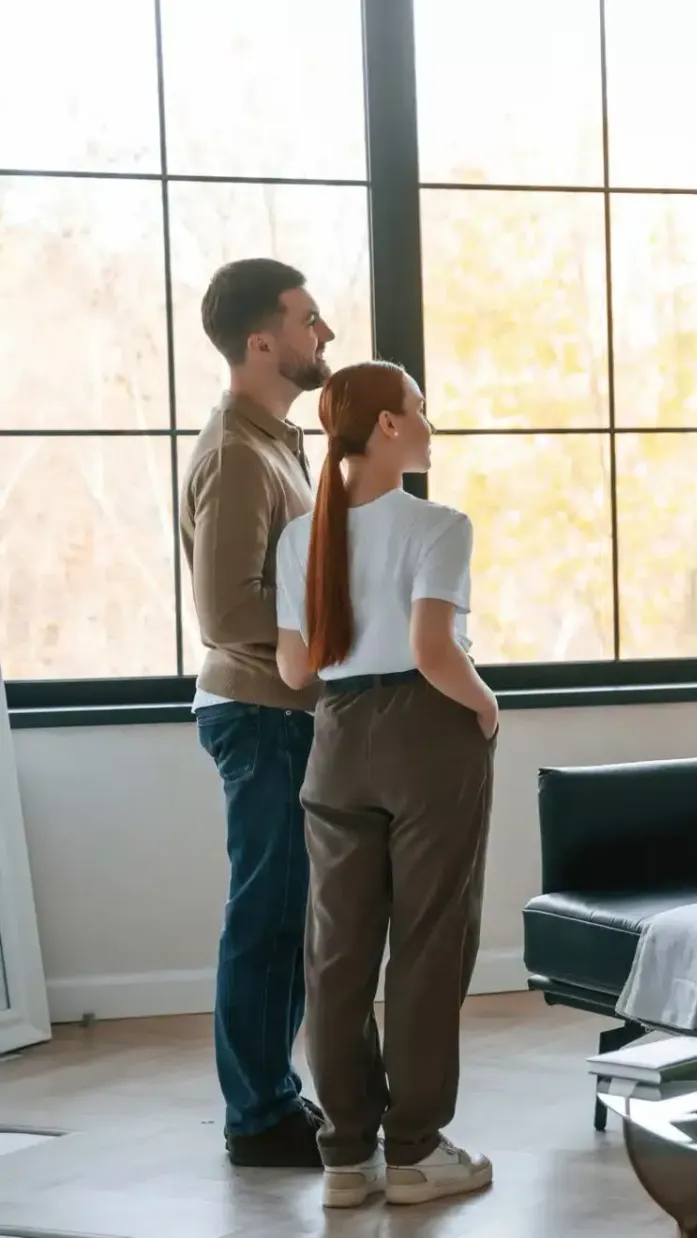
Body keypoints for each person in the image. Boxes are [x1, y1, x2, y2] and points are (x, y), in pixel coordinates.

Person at [273, 360, 497, 1208]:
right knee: (429, 947)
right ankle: (413, 1153)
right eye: (421, 409)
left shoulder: (302, 536)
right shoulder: (439, 525)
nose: (430, 423)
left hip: (336, 738)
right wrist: (486, 705)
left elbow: (298, 669)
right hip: (425, 735)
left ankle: (345, 1160)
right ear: (391, 428)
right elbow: (435, 652)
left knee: (336, 955)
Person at [182, 257, 334, 1166]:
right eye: (310, 319)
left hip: (287, 711)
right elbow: (229, 613)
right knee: (268, 913)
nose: (324, 335)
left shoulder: (280, 441)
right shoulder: (239, 454)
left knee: (285, 913)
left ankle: (274, 1100)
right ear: (261, 341)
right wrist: (327, 663)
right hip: (262, 714)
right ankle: (258, 1119)